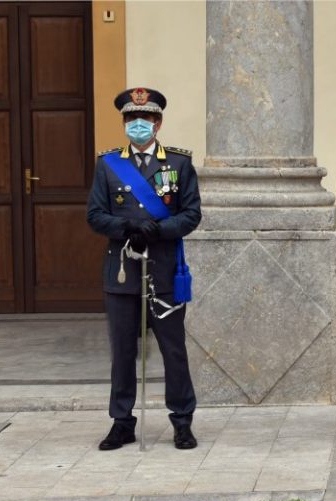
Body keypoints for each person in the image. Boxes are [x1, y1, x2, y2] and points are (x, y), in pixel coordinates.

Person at [87, 87, 201, 450]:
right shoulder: (107, 164)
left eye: (145, 118)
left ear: (158, 122)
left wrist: (158, 230)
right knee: (122, 352)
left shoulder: (179, 164)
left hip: (165, 271)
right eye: (131, 119)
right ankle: (122, 422)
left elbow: (191, 214)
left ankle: (182, 421)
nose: (138, 124)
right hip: (122, 271)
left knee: (173, 350)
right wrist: (128, 229)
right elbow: (95, 215)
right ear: (124, 123)